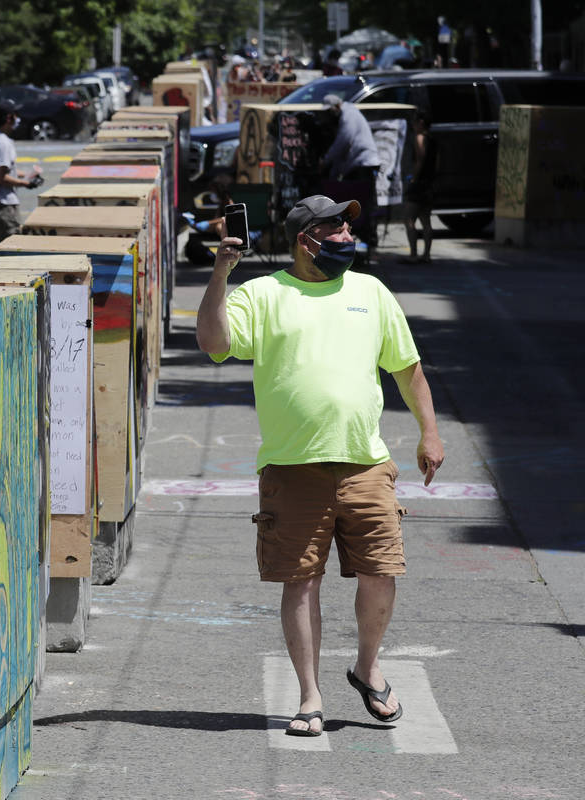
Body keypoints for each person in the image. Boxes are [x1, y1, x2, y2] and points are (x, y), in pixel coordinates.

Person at [195, 194, 444, 738]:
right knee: (301, 582)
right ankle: (309, 697)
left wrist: (430, 430)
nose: (343, 238)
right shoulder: (263, 295)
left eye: (345, 228)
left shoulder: (370, 291)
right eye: (331, 229)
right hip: (293, 468)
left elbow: (408, 369)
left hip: (365, 464)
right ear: (304, 239)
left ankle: (367, 667)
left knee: (382, 573)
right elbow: (213, 342)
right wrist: (221, 270)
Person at [321, 94, 382, 253]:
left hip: (364, 164)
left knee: (362, 204)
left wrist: (326, 161)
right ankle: (362, 241)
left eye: (330, 110)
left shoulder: (348, 115)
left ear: (337, 106)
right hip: (359, 164)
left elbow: (343, 142)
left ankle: (369, 243)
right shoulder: (347, 114)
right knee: (358, 203)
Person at [0, 100, 41, 246]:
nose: (18, 119)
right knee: (11, 247)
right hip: (4, 205)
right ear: (9, 118)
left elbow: (4, 169)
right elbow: (2, 177)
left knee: (1, 245)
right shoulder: (3, 143)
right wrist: (26, 184)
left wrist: (27, 174)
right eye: (16, 115)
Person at [402, 111, 437, 263]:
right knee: (426, 220)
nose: (412, 125)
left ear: (421, 123)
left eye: (414, 122)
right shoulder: (434, 140)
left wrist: (414, 179)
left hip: (419, 184)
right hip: (429, 184)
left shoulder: (420, 138)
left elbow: (419, 160)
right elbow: (437, 164)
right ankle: (427, 255)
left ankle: (413, 254)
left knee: (409, 219)